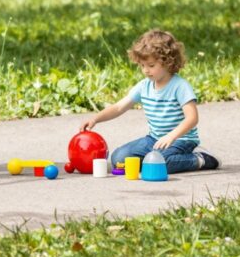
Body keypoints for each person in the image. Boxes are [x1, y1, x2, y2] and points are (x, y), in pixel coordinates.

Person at [80, 29, 220, 174]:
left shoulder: (180, 86)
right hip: (154, 139)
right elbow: (119, 107)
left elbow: (192, 118)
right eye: (142, 65)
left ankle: (200, 159)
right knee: (119, 159)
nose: (146, 70)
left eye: (151, 65)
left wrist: (171, 136)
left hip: (181, 140)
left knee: (162, 162)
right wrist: (95, 119)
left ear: (168, 62)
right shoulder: (144, 86)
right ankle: (151, 161)